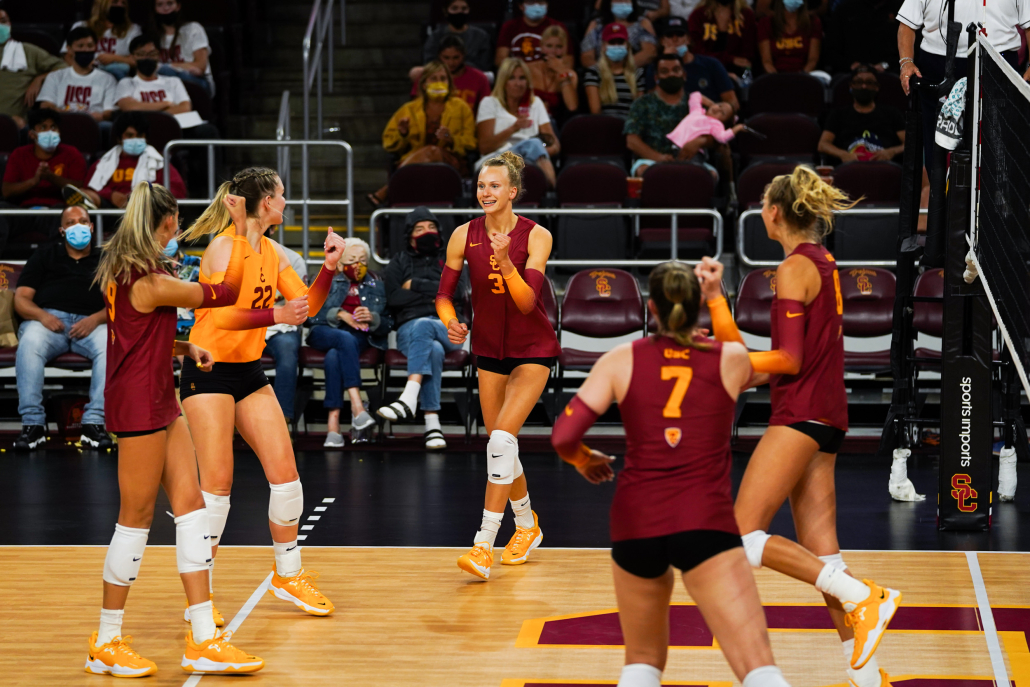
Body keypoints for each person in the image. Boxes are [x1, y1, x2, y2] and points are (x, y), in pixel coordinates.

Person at [699, 166, 902, 687]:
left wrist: (734, 367)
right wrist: (718, 301)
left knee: (739, 535)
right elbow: (748, 360)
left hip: (802, 413)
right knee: (824, 560)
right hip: (827, 416)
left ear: (773, 212)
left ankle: (867, 596)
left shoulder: (792, 268)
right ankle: (870, 677)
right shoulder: (823, 261)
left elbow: (785, 359)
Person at [550, 262, 795, 687]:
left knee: (641, 663)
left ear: (651, 308)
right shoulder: (731, 359)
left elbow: (563, 437)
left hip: (636, 523)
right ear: (697, 304)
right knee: (758, 667)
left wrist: (585, 459)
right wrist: (718, 296)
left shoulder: (620, 359)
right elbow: (771, 364)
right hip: (704, 521)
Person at [86, 182, 263, 677]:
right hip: (138, 403)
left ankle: (203, 638)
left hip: (159, 395)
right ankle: (105, 640)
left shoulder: (133, 271)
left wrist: (185, 350)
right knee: (135, 518)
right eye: (176, 222)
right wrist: (242, 230)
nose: (179, 229)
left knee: (192, 510)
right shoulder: (151, 280)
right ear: (163, 223)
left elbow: (140, 336)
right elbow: (225, 293)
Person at [178, 167, 344, 620]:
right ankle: (200, 599)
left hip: (248, 371)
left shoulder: (272, 251)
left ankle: (288, 574)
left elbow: (305, 308)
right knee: (217, 487)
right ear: (265, 202)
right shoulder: (221, 249)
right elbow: (224, 319)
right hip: (207, 372)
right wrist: (275, 314)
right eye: (283, 195)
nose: (287, 202)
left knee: (287, 477)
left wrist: (328, 268)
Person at [437, 151, 561, 580]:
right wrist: (452, 324)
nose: (485, 193)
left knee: (502, 440)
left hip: (533, 347)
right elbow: (443, 297)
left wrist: (507, 261)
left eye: (494, 186)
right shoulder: (462, 235)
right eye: (480, 186)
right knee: (500, 446)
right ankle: (527, 525)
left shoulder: (538, 235)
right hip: (488, 349)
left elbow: (528, 303)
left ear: (512, 192)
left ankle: (483, 544)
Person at [12, 205, 110, 451]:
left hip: (93, 323)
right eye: (70, 222)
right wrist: (43, 316)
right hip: (48, 323)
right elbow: (21, 299)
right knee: (31, 342)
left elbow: (123, 301)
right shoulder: (45, 255)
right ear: (62, 230)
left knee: (110, 345)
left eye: (83, 221)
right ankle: (33, 425)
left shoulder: (106, 258)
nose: (78, 226)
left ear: (91, 226)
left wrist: (96, 319)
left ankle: (94, 424)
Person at [897, 0, 1030, 173]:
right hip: (938, 64)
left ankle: (993, 197)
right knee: (938, 150)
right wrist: (906, 62)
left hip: (998, 62)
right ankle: (941, 196)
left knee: (997, 147)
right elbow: (906, 25)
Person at [379, 207, 468, 450]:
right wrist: (436, 295)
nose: (426, 232)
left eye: (430, 227)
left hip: (450, 328)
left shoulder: (452, 260)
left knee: (426, 326)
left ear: (439, 231)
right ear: (409, 235)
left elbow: (458, 292)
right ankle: (432, 423)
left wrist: (415, 285)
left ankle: (409, 396)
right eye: (419, 229)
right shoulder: (398, 262)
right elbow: (394, 297)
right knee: (434, 349)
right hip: (410, 331)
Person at [307, 238, 391, 447]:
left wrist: (373, 318)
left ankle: (333, 424)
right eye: (352, 259)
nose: (358, 265)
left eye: (363, 260)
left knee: (335, 355)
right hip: (325, 332)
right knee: (343, 339)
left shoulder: (376, 284)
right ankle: (357, 406)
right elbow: (309, 314)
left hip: (358, 336)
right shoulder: (326, 279)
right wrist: (340, 314)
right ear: (341, 261)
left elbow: (389, 322)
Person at [371, 60, 476, 207]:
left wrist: (451, 139)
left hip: (451, 163)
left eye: (443, 78)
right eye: (433, 79)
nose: (439, 82)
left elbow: (471, 143)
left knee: (433, 151)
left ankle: (388, 189)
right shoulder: (409, 109)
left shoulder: (462, 108)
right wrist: (403, 134)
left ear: (449, 82)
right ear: (424, 83)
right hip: (413, 160)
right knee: (430, 152)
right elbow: (389, 143)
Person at [1, 109, 87, 253]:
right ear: (32, 134)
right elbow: (7, 191)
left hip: (54, 211)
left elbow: (80, 188)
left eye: (53, 127)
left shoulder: (71, 154)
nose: (49, 131)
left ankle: (58, 270)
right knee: (1, 210)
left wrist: (51, 177)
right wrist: (34, 181)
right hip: (23, 212)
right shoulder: (19, 154)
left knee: (68, 215)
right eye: (43, 127)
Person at [624, 53, 713, 178]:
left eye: (676, 70)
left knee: (711, 175)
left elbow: (720, 136)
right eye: (665, 71)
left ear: (684, 75)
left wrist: (702, 141)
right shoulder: (642, 103)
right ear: (656, 78)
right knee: (646, 172)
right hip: (651, 160)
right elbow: (632, 141)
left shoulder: (697, 103)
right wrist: (659, 158)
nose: (671, 74)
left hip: (693, 161)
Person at [476, 58, 559, 187]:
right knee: (533, 144)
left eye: (522, 78)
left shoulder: (535, 103)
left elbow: (554, 144)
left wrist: (538, 151)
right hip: (494, 159)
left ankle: (549, 191)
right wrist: (514, 128)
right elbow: (485, 147)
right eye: (512, 78)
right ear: (503, 82)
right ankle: (552, 190)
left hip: (529, 160)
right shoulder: (489, 103)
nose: (518, 83)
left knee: (534, 145)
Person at [79, 111, 187, 209]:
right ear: (119, 139)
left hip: (145, 212)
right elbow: (88, 190)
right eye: (130, 135)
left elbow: (177, 192)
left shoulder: (158, 163)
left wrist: (142, 198)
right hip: (110, 210)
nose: (135, 139)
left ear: (146, 138)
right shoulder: (103, 163)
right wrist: (111, 195)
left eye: (139, 136)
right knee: (88, 197)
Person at [818, 65, 905, 164]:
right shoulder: (837, 114)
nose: (864, 86)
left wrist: (891, 152)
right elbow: (823, 145)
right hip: (849, 169)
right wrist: (843, 154)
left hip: (884, 168)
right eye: (859, 82)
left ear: (877, 87)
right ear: (851, 86)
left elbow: (910, 145)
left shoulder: (892, 113)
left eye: (869, 82)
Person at [646, 19, 739, 110]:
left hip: (708, 117)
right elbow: (652, 102)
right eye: (669, 35)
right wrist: (666, 60)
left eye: (680, 34)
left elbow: (732, 102)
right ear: (662, 41)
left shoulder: (712, 64)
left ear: (688, 39)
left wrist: (715, 114)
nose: (675, 39)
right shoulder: (654, 68)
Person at [263, 241, 307, 426]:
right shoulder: (232, 254)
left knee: (288, 350)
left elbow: (301, 300)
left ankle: (283, 421)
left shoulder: (292, 259)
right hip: (245, 322)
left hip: (281, 326)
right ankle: (230, 418)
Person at [0, 8, 67, 128]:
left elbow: (64, 68)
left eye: (3, 21)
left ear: (9, 24)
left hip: (12, 124)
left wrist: (40, 79)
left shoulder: (27, 51)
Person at [39, 26, 118, 124]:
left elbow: (109, 112)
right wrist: (66, 115)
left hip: (93, 125)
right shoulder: (55, 77)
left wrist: (94, 117)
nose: (85, 50)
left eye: (90, 46)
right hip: (61, 122)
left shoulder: (108, 79)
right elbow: (46, 105)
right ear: (69, 49)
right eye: (80, 46)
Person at [64, 0, 142, 80]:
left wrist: (113, 58)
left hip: (117, 76)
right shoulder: (81, 26)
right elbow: (67, 56)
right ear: (102, 4)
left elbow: (138, 60)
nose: (120, 5)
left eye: (123, 3)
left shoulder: (133, 29)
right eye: (115, 2)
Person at [115, 35, 192, 115]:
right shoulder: (126, 83)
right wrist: (165, 104)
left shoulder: (173, 81)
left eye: (152, 54)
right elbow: (129, 107)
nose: (147, 58)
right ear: (132, 57)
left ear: (159, 56)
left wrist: (153, 116)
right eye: (141, 54)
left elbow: (185, 107)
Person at [151, 0, 215, 95]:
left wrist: (169, 67)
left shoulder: (193, 29)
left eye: (170, 3)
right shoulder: (153, 37)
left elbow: (200, 66)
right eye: (160, 5)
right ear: (155, 9)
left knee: (164, 70)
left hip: (198, 82)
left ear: (178, 6)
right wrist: (187, 66)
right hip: (166, 84)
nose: (165, 8)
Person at [584, 22, 644, 118]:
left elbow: (639, 111)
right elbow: (595, 111)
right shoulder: (594, 73)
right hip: (604, 127)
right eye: (612, 42)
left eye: (620, 42)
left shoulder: (638, 73)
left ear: (627, 45)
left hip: (630, 128)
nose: (616, 46)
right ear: (603, 46)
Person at [688, 0, 758, 81]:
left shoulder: (746, 15)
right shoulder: (698, 15)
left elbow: (748, 54)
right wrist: (730, 59)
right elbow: (697, 53)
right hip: (705, 70)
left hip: (737, 73)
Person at [825, 0, 899, 76]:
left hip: (889, 73)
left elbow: (907, 49)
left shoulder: (900, 10)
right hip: (849, 73)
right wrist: (850, 65)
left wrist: (886, 65)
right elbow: (831, 48)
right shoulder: (845, 9)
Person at [496, 0, 574, 68]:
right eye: (531, 2)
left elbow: (568, 63)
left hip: (548, 77)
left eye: (540, 1)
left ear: (547, 4)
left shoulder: (558, 27)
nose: (536, 5)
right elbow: (500, 61)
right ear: (521, 6)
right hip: (518, 76)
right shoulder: (509, 27)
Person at [581, 0, 659, 68]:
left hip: (634, 71)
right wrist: (604, 70)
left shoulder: (642, 23)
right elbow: (587, 57)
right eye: (618, 0)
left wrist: (621, 69)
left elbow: (649, 52)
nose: (622, 2)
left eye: (626, 0)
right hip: (601, 72)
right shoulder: (596, 24)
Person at [757, 0, 824, 76]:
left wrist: (801, 76)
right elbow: (767, 62)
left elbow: (813, 60)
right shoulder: (766, 23)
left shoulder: (813, 23)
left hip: (804, 77)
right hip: (775, 78)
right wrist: (778, 80)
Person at [422, 0, 493, 72]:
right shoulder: (435, 36)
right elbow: (429, 63)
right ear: (445, 11)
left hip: (472, 76)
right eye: (454, 8)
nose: (459, 12)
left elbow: (484, 65)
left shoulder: (481, 36)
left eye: (464, 9)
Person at [528, 25, 578, 121]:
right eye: (549, 46)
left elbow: (572, 107)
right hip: (530, 119)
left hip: (556, 123)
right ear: (541, 47)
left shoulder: (571, 75)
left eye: (559, 47)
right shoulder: (528, 69)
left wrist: (562, 72)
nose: (553, 51)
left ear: (565, 49)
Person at [667, 90, 743, 148]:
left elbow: (723, 138)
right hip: (672, 142)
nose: (718, 110)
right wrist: (712, 105)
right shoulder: (697, 111)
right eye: (720, 105)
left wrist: (737, 128)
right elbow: (695, 95)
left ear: (723, 121)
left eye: (722, 113)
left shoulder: (716, 124)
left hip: (692, 150)